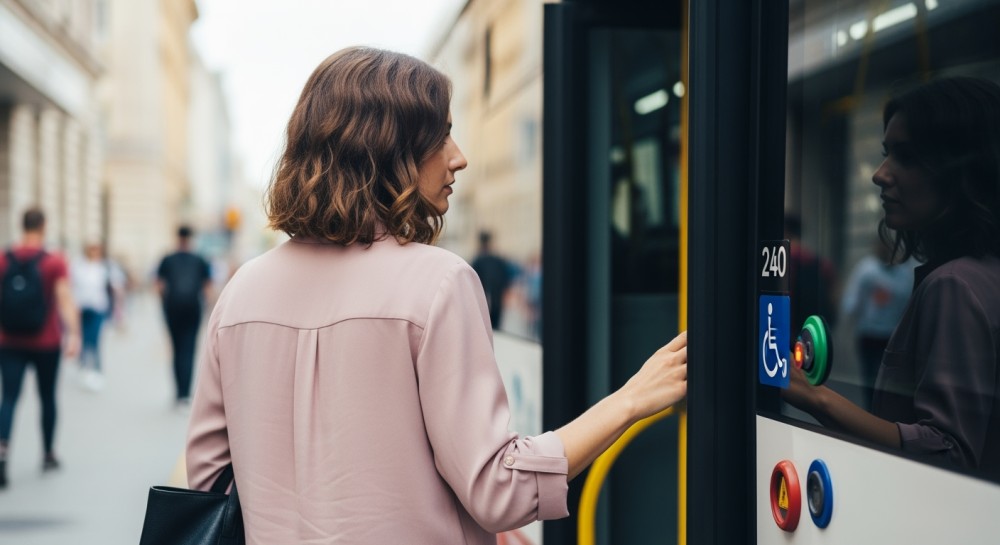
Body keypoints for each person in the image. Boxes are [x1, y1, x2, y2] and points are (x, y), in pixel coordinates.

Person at [185, 47, 687, 544]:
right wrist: (630, 399)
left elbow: (209, 483)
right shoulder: (439, 282)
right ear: (387, 148)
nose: (458, 157)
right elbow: (499, 492)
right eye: (441, 134)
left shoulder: (240, 292)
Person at [784, 77, 1000, 479]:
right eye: (887, 154)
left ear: (964, 170)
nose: (880, 174)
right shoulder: (981, 274)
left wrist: (813, 397)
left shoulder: (954, 285)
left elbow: (947, 453)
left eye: (907, 157)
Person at [0, 207, 80, 488]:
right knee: (47, 397)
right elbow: (64, 298)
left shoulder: (3, 259)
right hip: (46, 341)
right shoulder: (54, 261)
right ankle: (47, 454)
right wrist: (74, 334)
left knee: (9, 398)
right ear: (43, 227)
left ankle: (2, 453)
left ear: (21, 226)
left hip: (8, 340)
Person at [839, 237, 915, 409]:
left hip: (892, 335)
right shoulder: (866, 269)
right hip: (869, 333)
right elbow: (851, 301)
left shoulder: (903, 272)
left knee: (888, 380)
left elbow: (908, 301)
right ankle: (871, 409)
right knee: (870, 376)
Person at [156, 226, 212, 408]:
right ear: (191, 238)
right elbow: (207, 288)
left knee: (176, 348)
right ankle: (185, 394)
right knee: (189, 349)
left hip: (172, 308)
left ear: (177, 237)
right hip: (193, 309)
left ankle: (178, 392)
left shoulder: (167, 259)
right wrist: (208, 309)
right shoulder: (200, 259)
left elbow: (159, 286)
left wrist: (164, 305)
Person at [70, 242, 126, 391]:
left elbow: (117, 287)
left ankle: (96, 369)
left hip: (98, 307)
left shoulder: (106, 267)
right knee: (84, 338)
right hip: (81, 307)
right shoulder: (78, 266)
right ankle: (83, 366)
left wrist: (119, 311)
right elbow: (71, 286)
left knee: (95, 339)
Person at [785, 213, 838, 331]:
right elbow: (833, 298)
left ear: (786, 231)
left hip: (791, 327)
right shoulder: (820, 262)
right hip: (814, 328)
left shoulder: (786, 259)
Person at [471, 230, 514, 329]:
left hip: (484, 297)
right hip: (495, 297)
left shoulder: (478, 260)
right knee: (496, 323)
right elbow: (505, 277)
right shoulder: (498, 259)